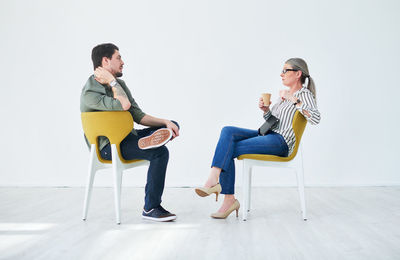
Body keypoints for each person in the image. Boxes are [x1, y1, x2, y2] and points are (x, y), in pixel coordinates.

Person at [195, 58, 321, 219]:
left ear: (298, 74)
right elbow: (273, 123)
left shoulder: (304, 94)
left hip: (281, 143)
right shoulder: (283, 95)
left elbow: (316, 119)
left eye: (285, 70)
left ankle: (222, 193)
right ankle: (216, 182)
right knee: (228, 132)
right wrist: (266, 110)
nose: (281, 74)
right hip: (268, 134)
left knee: (230, 148)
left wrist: (293, 99)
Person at [80, 43, 180, 222]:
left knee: (172, 124)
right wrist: (112, 81)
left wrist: (166, 122)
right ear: (105, 60)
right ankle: (150, 208)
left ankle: (149, 140)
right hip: (109, 148)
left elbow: (138, 116)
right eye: (118, 58)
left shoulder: (120, 85)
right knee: (160, 152)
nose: (123, 62)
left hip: (129, 138)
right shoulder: (90, 91)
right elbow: (124, 105)